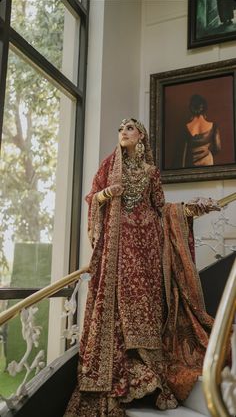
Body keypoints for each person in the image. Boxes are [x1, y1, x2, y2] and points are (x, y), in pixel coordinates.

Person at [64, 118, 220, 417]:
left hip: (148, 248)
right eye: (120, 128)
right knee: (120, 308)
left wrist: (191, 208)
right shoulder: (109, 167)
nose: (122, 131)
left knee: (147, 306)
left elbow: (161, 208)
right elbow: (92, 197)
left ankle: (153, 377)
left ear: (142, 137)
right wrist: (107, 194)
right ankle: (119, 381)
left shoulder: (151, 172)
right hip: (119, 248)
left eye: (129, 128)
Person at [173, 94, 221, 169]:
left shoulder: (186, 127)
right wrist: (206, 152)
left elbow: (183, 154)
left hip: (191, 164)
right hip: (207, 162)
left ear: (191, 109)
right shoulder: (213, 126)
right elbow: (217, 148)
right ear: (204, 108)